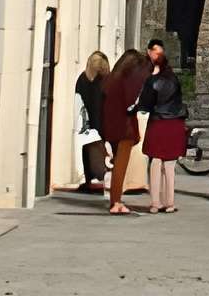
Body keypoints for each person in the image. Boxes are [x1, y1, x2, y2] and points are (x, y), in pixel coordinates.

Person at [139, 39, 188, 214]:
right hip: (175, 122)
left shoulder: (151, 81)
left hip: (158, 121)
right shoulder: (174, 78)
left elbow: (145, 105)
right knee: (170, 164)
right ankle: (170, 203)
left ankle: (155, 203)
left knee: (155, 161)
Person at [100, 46, 150, 213]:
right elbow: (132, 103)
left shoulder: (111, 80)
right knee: (121, 165)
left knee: (117, 165)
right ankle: (116, 202)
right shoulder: (128, 83)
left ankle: (115, 200)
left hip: (112, 125)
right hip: (125, 127)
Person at [75, 50, 111, 191]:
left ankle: (88, 180)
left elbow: (78, 100)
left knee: (86, 149)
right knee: (105, 152)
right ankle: (105, 177)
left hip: (86, 121)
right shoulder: (104, 81)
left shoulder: (82, 79)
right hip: (101, 121)